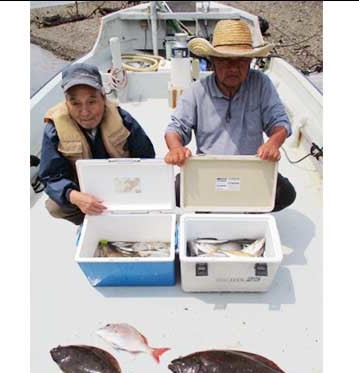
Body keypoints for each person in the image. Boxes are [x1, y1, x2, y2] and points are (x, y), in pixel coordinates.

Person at [164, 20, 296, 211]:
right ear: (213, 62)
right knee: (173, 192)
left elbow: (280, 123)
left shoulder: (261, 83)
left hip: (252, 169)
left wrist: (273, 143)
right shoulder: (197, 90)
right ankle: (221, 206)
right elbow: (175, 129)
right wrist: (176, 148)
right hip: (209, 171)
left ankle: (244, 208)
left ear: (250, 62)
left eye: (241, 61)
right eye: (225, 60)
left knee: (287, 194)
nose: (233, 67)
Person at [38, 63, 156, 225]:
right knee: (55, 207)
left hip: (123, 185)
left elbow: (147, 157)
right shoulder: (54, 129)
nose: (85, 112)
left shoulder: (122, 119)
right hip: (84, 190)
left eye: (91, 102)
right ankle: (88, 223)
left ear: (103, 97)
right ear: (66, 103)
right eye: (76, 103)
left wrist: (132, 187)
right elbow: (51, 176)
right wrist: (74, 196)